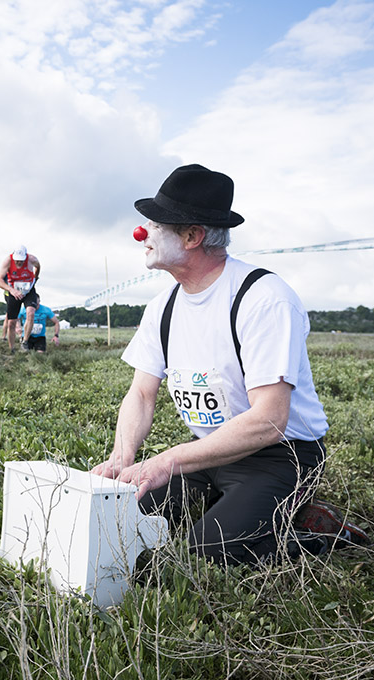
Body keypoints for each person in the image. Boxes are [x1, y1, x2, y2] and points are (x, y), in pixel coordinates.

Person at [91, 164, 331, 565]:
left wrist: (168, 460)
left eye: (156, 223)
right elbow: (142, 394)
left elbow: (270, 420)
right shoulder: (162, 308)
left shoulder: (264, 298)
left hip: (282, 455)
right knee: (121, 519)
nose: (142, 233)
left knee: (205, 555)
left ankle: (311, 534)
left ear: (192, 236)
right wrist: (122, 456)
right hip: (209, 452)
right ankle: (230, 504)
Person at [0, 245, 41, 351]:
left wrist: (35, 277)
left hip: (28, 289)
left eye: (21, 260)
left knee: (31, 312)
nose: (19, 262)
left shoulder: (32, 259)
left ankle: (25, 341)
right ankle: (11, 348)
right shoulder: (7, 261)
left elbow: (38, 266)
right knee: (11, 322)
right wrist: (11, 290)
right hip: (14, 291)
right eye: (17, 260)